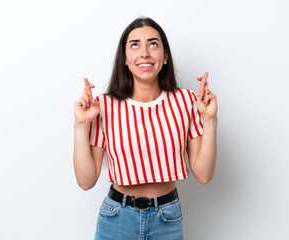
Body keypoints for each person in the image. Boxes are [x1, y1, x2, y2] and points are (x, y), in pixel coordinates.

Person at [73, 17, 217, 240]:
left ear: (165, 56)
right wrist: (81, 125)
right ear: (125, 59)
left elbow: (204, 175)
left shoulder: (186, 101)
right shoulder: (104, 106)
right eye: (134, 45)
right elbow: (86, 181)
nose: (145, 53)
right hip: (116, 220)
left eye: (153, 44)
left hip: (167, 220)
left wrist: (209, 120)